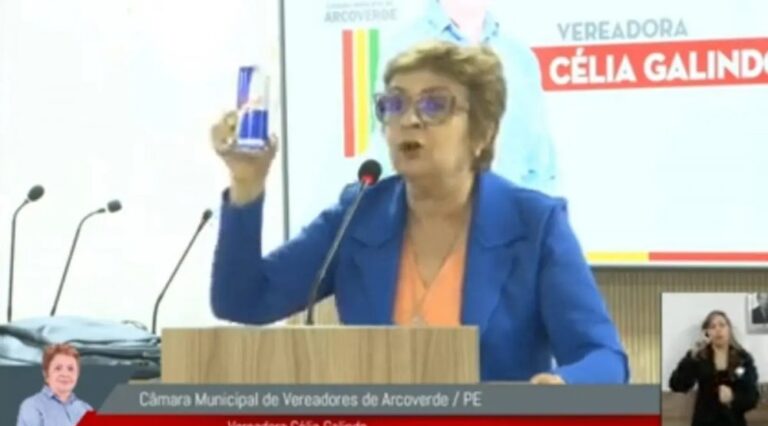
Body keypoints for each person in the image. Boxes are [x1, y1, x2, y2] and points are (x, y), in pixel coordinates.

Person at [209, 41, 628, 384]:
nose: (408, 120)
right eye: (394, 104)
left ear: (482, 132)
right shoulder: (359, 215)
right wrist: (248, 183)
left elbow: (604, 357)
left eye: (434, 105)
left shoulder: (534, 224)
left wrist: (562, 386)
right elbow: (244, 299)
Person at [368, 0, 558, 194]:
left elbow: (540, 162)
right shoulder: (403, 48)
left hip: (509, 208)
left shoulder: (519, 57)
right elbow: (390, 150)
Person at [669, 310, 760, 426]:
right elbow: (677, 385)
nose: (718, 330)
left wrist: (733, 397)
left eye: (722, 325)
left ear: (729, 329)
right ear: (707, 333)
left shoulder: (743, 359)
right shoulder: (699, 357)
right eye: (712, 326)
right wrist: (692, 354)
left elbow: (752, 396)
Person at [17, 343, 93, 426]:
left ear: (77, 375)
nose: (65, 374)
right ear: (46, 374)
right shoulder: (32, 406)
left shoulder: (86, 409)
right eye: (58, 368)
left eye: (70, 369)